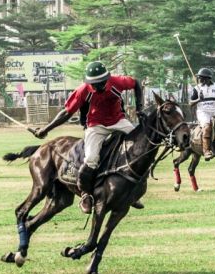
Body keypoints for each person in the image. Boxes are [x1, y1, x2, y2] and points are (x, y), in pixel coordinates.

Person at [30, 61, 143, 214]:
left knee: (141, 146)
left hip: (118, 121)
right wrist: (46, 129)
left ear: (106, 79)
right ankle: (86, 195)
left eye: (100, 83)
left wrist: (140, 108)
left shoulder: (117, 82)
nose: (97, 86)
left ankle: (132, 192)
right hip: (95, 125)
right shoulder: (84, 90)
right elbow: (66, 112)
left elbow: (136, 83)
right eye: (94, 84)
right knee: (91, 159)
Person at [189, 68, 215, 159]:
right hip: (203, 112)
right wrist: (198, 99)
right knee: (207, 127)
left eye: (200, 78)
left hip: (214, 110)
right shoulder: (197, 88)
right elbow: (190, 103)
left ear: (207, 78)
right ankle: (206, 151)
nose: (199, 79)